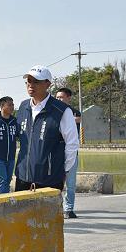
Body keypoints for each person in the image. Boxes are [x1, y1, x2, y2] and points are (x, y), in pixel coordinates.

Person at [14, 66, 79, 198]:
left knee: (47, 219)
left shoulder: (62, 110)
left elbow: (72, 144)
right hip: (23, 177)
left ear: (48, 84)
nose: (31, 85)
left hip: (50, 179)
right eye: (29, 81)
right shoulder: (23, 106)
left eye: (36, 81)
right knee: (22, 218)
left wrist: (62, 171)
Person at [54, 88, 82, 217]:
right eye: (57, 97)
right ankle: (55, 207)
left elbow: (78, 120)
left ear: (68, 98)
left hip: (71, 152)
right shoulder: (53, 111)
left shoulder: (75, 112)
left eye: (61, 97)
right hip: (56, 152)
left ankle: (68, 209)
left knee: (70, 183)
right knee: (54, 182)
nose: (59, 99)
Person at [0, 96, 18, 194]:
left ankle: (5, 201)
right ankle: (4, 206)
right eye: (9, 105)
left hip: (10, 158)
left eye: (13, 104)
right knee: (2, 182)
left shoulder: (14, 121)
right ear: (2, 106)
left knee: (8, 181)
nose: (12, 107)